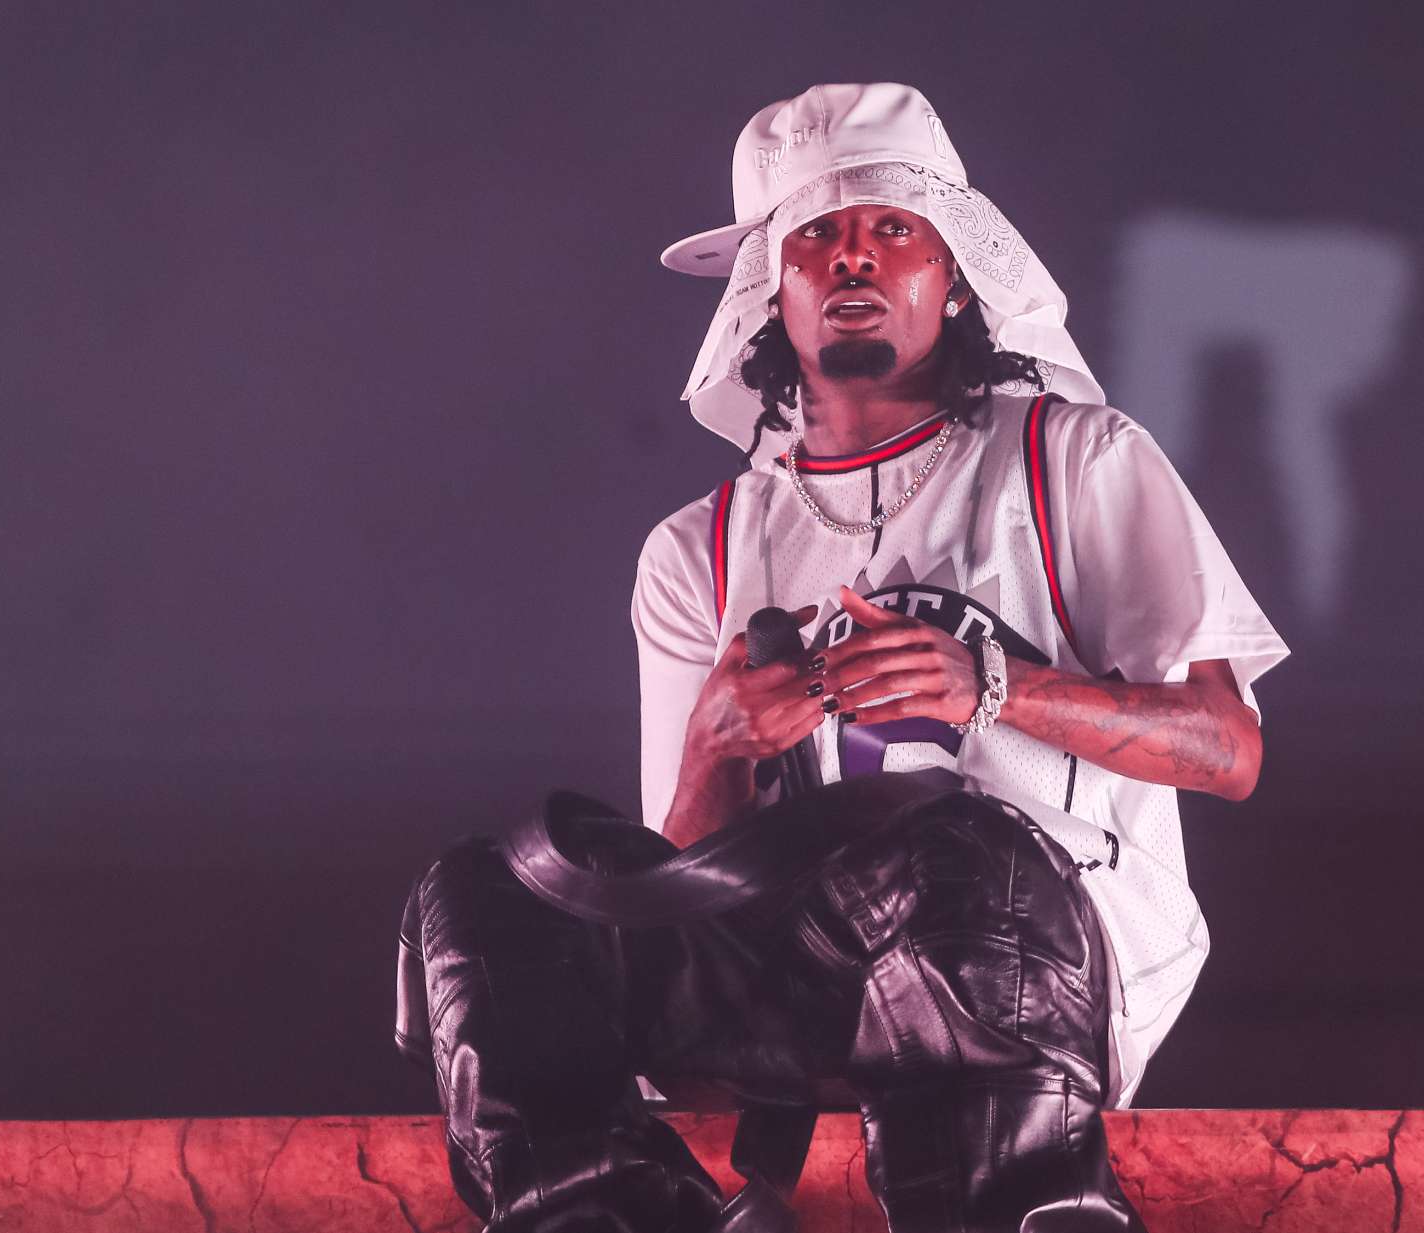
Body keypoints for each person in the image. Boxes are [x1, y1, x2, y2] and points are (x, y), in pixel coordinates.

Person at [395, 82, 1288, 1232]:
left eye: (892, 228)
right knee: (494, 890)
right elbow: (684, 882)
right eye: (815, 235)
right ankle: (607, 1213)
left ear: (954, 271)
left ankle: (1018, 1204)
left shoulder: (1073, 460)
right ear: (769, 290)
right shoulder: (699, 548)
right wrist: (716, 749)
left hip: (1028, 969)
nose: (852, 257)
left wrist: (994, 686)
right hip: (798, 981)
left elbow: (1226, 748)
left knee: (950, 842)